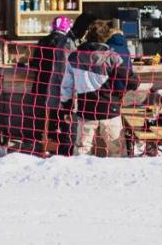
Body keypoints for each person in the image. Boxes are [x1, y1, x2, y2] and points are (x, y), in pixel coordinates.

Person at [60, 19, 139, 157]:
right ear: (107, 36)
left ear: (87, 35)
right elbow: (130, 81)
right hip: (110, 109)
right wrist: (135, 82)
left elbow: (66, 86)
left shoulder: (74, 57)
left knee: (82, 150)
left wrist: (66, 107)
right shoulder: (112, 57)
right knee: (118, 151)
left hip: (86, 111)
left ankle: (78, 176)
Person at [30, 17, 77, 153]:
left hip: (43, 84)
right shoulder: (68, 42)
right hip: (62, 85)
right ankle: (63, 145)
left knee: (45, 115)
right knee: (64, 116)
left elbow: (35, 63)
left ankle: (46, 142)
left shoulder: (43, 40)